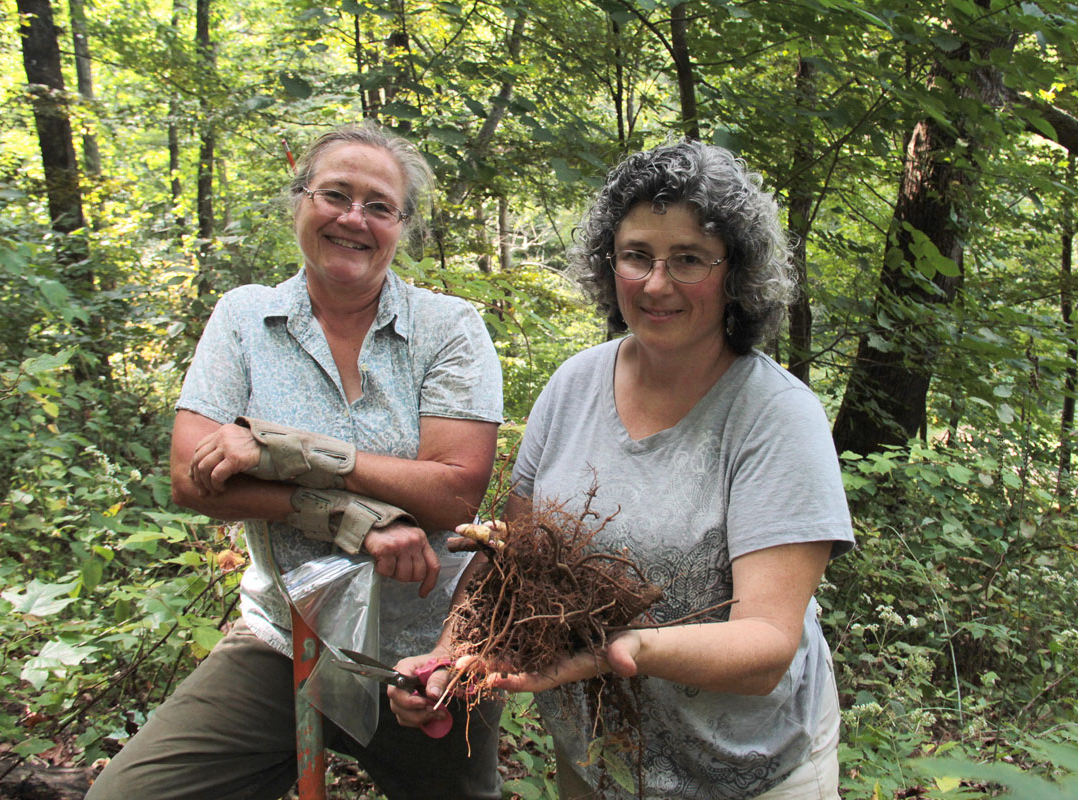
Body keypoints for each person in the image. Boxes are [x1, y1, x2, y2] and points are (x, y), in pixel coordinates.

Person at [391, 139, 855, 799]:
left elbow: (766, 650)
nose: (657, 283)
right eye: (637, 255)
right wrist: (448, 658)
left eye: (689, 259)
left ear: (736, 272)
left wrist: (626, 648)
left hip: (748, 771)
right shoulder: (576, 384)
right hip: (599, 759)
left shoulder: (775, 416)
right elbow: (516, 559)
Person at [87, 123, 504, 800]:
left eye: (379, 206)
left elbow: (454, 494)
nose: (353, 218)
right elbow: (193, 476)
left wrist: (292, 449)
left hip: (426, 650)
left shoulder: (447, 328)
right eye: (334, 194)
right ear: (300, 201)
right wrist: (338, 512)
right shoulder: (246, 320)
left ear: (402, 226)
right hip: (285, 640)